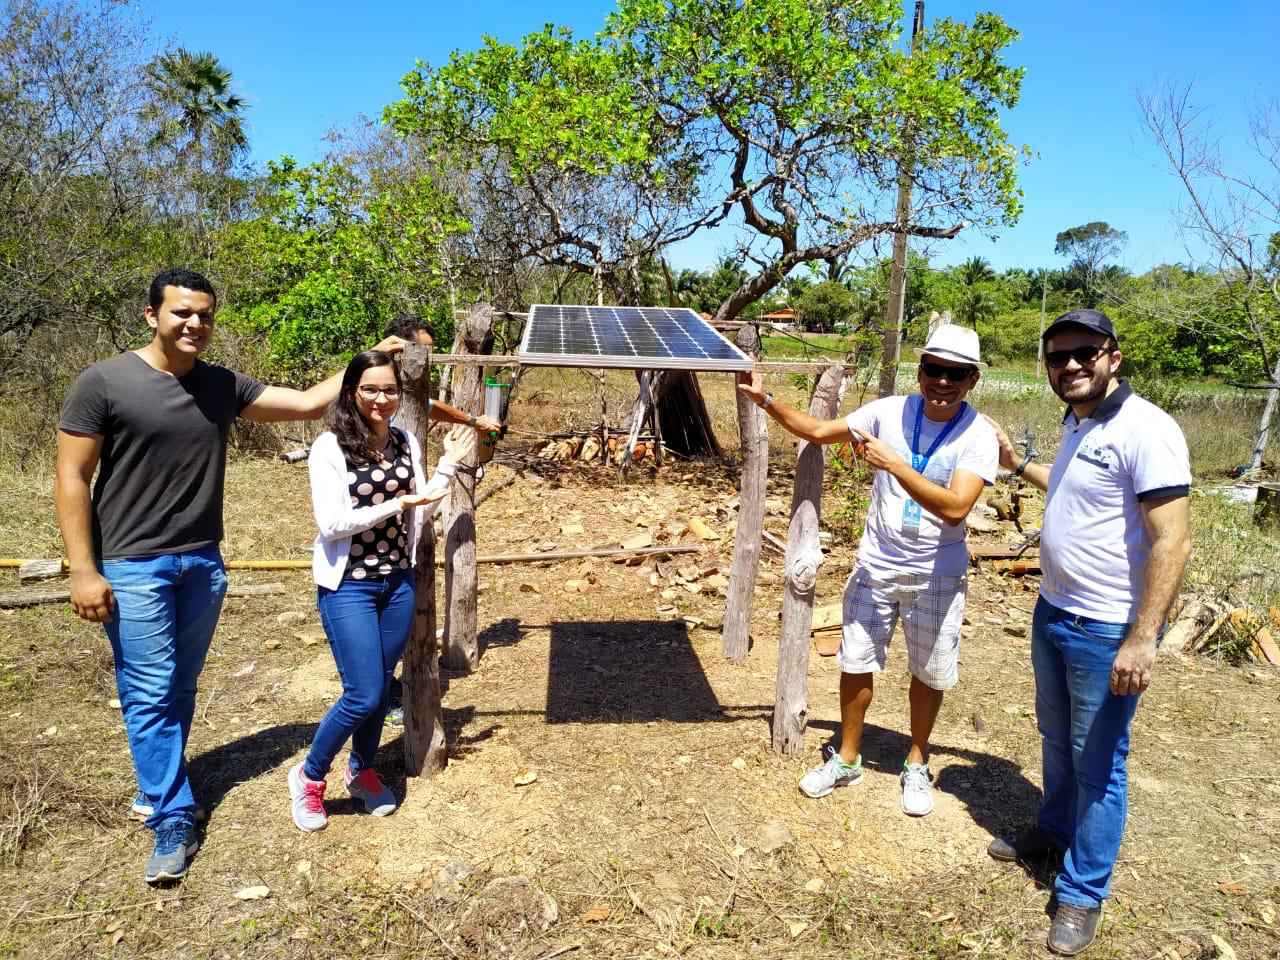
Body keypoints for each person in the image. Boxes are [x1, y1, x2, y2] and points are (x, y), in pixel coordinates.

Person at [55, 268, 407, 884]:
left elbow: (303, 404)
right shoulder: (104, 382)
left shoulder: (221, 385)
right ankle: (170, 811)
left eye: (205, 315)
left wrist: (375, 356)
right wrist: (83, 569)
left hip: (202, 561)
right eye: (181, 313)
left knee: (180, 683)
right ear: (151, 315)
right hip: (132, 564)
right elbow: (70, 477)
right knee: (149, 688)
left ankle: (160, 778)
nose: (194, 324)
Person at [984, 308, 1191, 956]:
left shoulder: (1147, 429)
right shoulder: (1078, 421)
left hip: (1106, 630)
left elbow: (1173, 540)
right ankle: (1052, 829)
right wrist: (1018, 465)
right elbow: (1075, 488)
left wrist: (1142, 637)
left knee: (1099, 762)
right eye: (1057, 357)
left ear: (1113, 357)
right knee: (1056, 739)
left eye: (1085, 353)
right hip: (1053, 612)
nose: (1070, 365)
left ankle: (1081, 892)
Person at [737, 325, 998, 817]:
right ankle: (848, 757)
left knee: (928, 672)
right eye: (934, 370)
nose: (943, 382)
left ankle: (917, 761)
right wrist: (767, 399)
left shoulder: (979, 434)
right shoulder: (887, 411)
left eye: (956, 374)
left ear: (972, 380)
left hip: (936, 573)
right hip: (877, 564)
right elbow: (817, 430)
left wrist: (895, 464)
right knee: (855, 660)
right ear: (920, 370)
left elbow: (958, 507)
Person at [288, 351, 473, 831]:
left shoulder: (406, 441)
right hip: (348, 585)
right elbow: (331, 524)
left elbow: (421, 510)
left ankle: (362, 770)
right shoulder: (330, 447)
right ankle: (309, 778)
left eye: (389, 390)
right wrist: (396, 503)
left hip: (396, 583)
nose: (381, 399)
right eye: (370, 389)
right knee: (364, 693)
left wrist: (448, 466)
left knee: (379, 684)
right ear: (351, 391)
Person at [383, 312, 502, 434]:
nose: (428, 358)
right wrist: (373, 354)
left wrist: (472, 421)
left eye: (430, 351)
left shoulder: (407, 387)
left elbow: (429, 406)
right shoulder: (378, 384)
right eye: (422, 350)